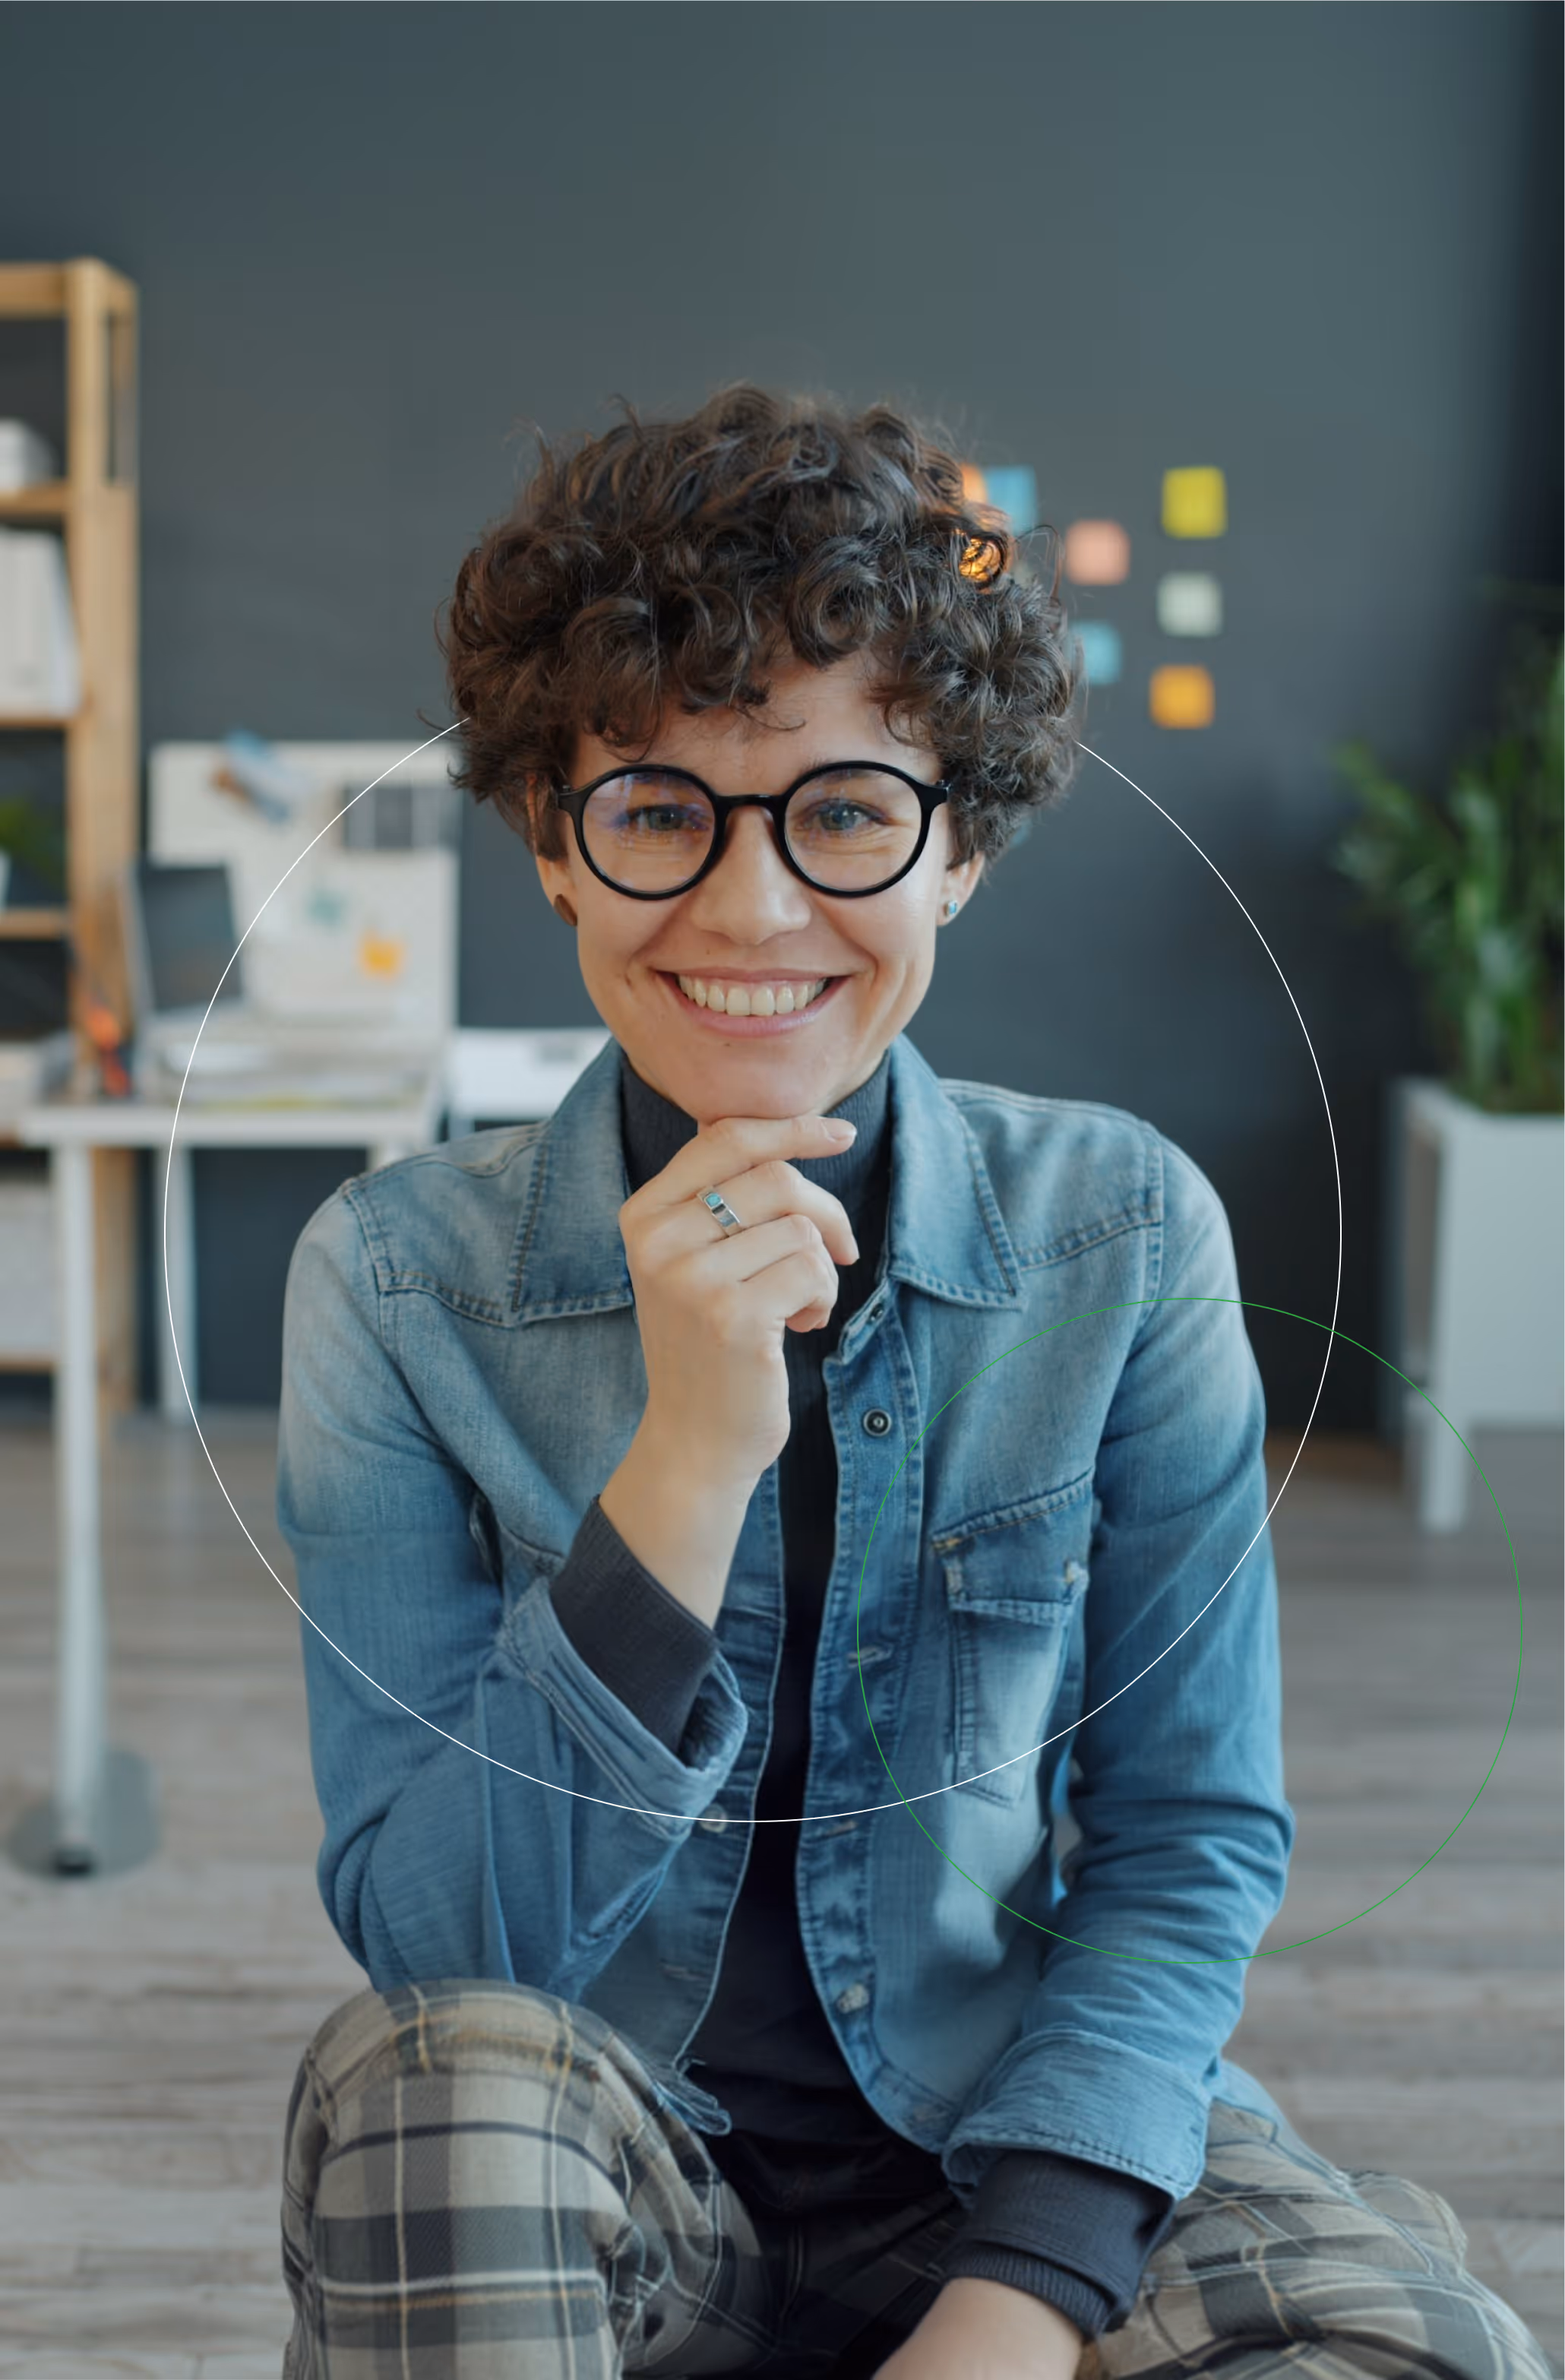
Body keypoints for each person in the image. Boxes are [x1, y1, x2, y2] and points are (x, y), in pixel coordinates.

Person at [274, 387, 1551, 2380]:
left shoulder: (1121, 1235)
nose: (755, 905)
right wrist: (684, 1466)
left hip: (1007, 2146)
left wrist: (1018, 2299)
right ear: (551, 842)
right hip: (605, 2180)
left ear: (958, 849)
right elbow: (449, 1953)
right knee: (427, 2091)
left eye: (848, 811)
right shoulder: (396, 1279)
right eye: (656, 808)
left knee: (1417, 2348)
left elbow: (1186, 1838)